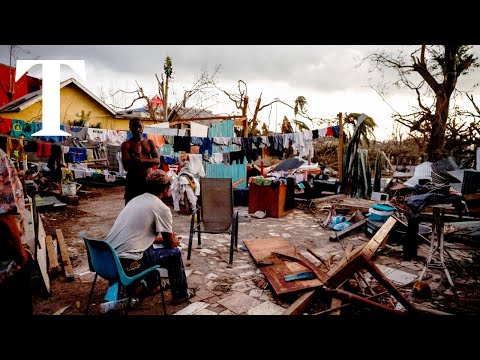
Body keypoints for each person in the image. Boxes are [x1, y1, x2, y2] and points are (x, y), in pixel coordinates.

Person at [105, 169, 192, 304]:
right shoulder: (161, 208)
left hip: (107, 259)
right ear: (166, 188)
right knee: (174, 254)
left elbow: (139, 235)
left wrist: (163, 238)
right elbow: (170, 244)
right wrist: (173, 239)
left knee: (150, 247)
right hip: (127, 263)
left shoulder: (136, 200)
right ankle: (181, 295)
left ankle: (153, 285)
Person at [121, 118, 160, 205]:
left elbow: (157, 160)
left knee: (148, 206)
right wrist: (149, 162)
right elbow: (126, 167)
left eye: (139, 126)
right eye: (134, 127)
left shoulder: (149, 142)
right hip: (133, 181)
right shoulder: (126, 145)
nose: (137, 129)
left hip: (148, 180)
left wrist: (142, 161)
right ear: (130, 128)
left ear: (143, 127)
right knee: (131, 206)